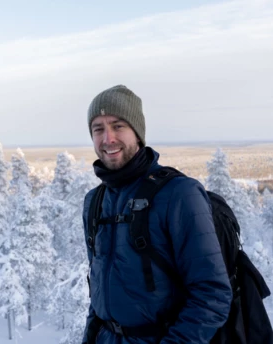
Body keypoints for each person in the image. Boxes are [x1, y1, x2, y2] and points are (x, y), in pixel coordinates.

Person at [82, 85, 232, 344]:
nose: (108, 138)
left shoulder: (178, 194)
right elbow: (98, 297)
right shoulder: (95, 202)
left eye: (118, 126)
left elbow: (212, 295)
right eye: (98, 128)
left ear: (137, 133)